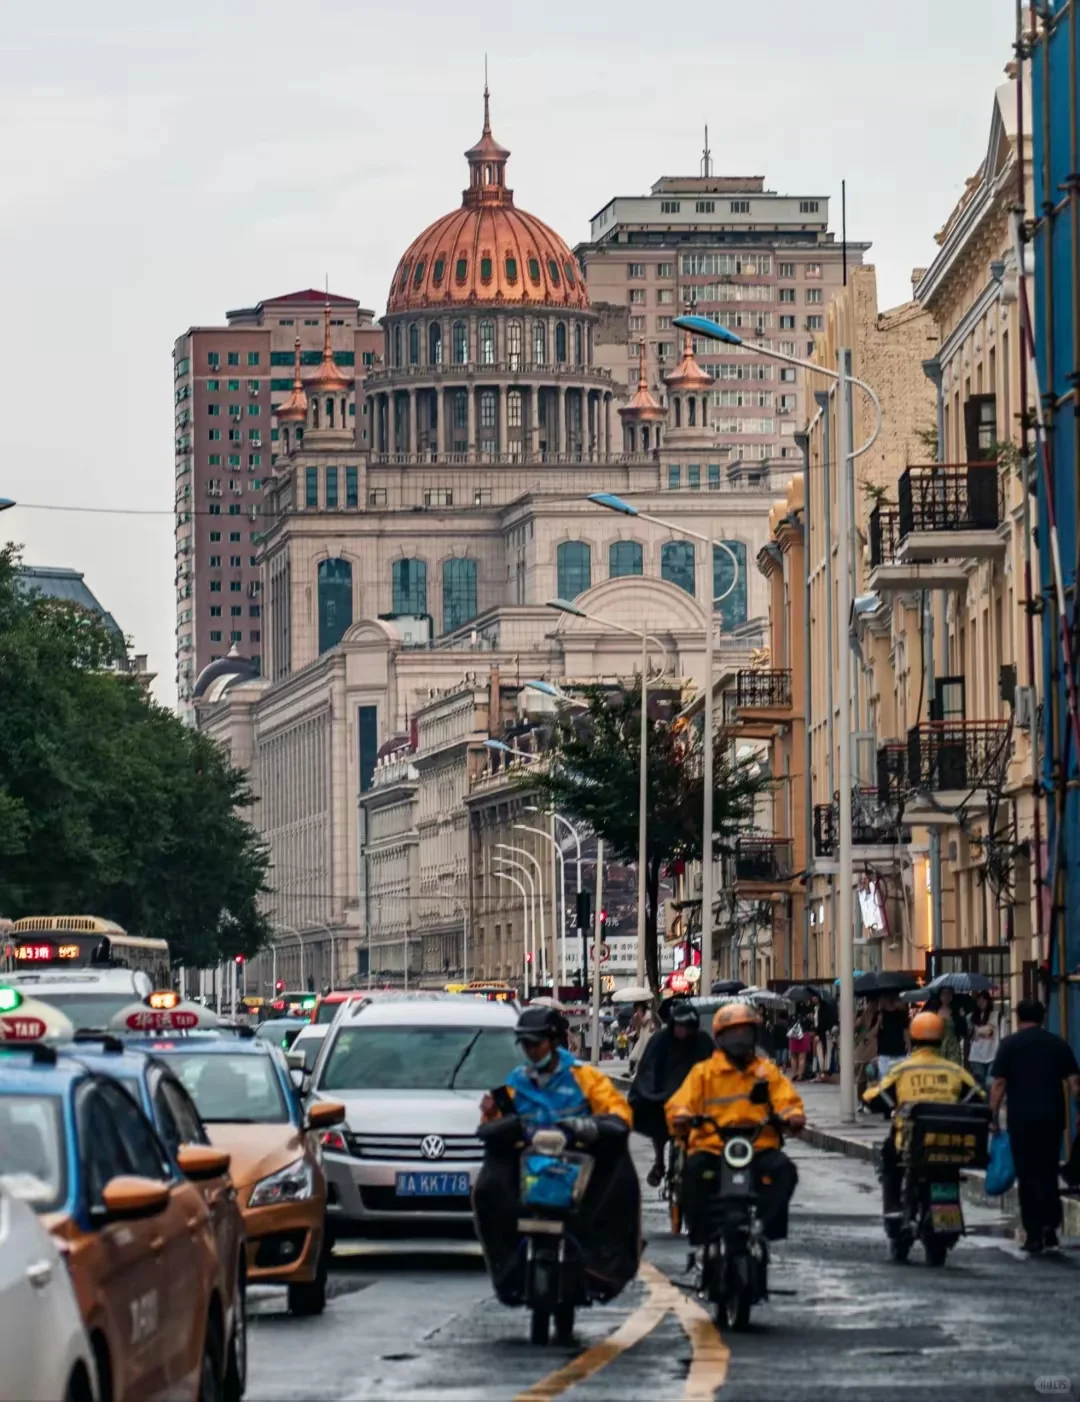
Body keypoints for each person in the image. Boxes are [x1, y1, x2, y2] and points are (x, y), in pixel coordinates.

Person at [473, 1005, 641, 1303]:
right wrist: (490, 1117)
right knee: (486, 1189)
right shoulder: (516, 1081)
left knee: (622, 1182)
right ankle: (505, 1267)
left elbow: (617, 1112)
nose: (531, 1051)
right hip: (530, 1167)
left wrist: (593, 1126)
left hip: (578, 1167)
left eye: (536, 1043)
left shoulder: (584, 1076)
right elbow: (495, 1122)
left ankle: (606, 1263)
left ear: (552, 1041)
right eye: (525, 1045)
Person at [666, 1003, 805, 1247]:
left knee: (784, 1170)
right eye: (733, 1033)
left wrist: (792, 1116)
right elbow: (680, 1103)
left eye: (745, 1033)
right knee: (694, 1172)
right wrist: (682, 1116)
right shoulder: (704, 1073)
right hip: (712, 1147)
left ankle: (765, 1227)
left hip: (758, 1147)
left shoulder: (766, 1072)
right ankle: (701, 1239)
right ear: (720, 1038)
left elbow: (786, 1099)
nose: (740, 1039)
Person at [863, 1011, 985, 1222]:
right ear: (940, 1038)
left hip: (913, 1143)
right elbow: (979, 1098)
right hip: (952, 1143)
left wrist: (872, 1100)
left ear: (914, 1037)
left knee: (889, 1154)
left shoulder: (902, 1070)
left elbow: (874, 1097)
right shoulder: (954, 1070)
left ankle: (894, 1209)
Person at [989, 998, 1080, 1254]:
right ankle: (1050, 1228)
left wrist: (994, 1118)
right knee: (1049, 1172)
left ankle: (1033, 1233)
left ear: (1018, 1018)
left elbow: (998, 1085)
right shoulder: (1057, 1045)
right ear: (1042, 1017)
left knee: (1027, 1174)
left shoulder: (1010, 1045)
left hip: (1022, 1119)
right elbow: (1075, 1084)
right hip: (1052, 1118)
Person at [629, 997, 715, 1187]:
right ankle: (659, 1162)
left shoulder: (702, 1040)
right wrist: (651, 1093)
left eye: (688, 1026)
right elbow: (648, 1069)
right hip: (665, 1094)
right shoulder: (660, 1040)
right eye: (680, 1026)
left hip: (696, 1096)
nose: (684, 1031)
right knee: (658, 1122)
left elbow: (715, 1065)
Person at [967, 991, 1000, 1089]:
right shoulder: (971, 1017)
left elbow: (1000, 1034)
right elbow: (970, 1035)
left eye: (984, 1000)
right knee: (979, 1085)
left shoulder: (997, 1015)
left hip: (992, 1054)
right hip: (976, 1055)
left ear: (988, 1001)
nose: (981, 1002)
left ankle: (989, 1104)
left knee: (990, 1084)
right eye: (979, 1000)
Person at [927, 985, 967, 1065]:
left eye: (949, 993)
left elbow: (963, 1031)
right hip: (937, 1046)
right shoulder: (933, 1010)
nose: (946, 996)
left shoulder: (956, 1012)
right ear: (940, 996)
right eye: (944, 993)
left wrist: (962, 1018)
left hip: (953, 1047)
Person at [874, 992, 910, 1076]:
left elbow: (905, 1032)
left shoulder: (900, 1014)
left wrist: (909, 1048)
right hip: (884, 1052)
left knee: (900, 1078)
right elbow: (874, 1034)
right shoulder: (880, 1014)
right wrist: (879, 1022)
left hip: (899, 1051)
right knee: (884, 1078)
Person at [811, 993, 837, 1081]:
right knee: (820, 1053)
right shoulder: (816, 1008)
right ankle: (821, 1072)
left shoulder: (825, 1008)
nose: (812, 999)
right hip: (819, 1033)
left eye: (814, 997)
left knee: (826, 1052)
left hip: (825, 1033)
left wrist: (817, 1031)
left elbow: (825, 1022)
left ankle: (824, 1073)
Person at [787, 1005, 813, 1080]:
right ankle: (800, 1075)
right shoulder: (807, 1018)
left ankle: (794, 1073)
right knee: (802, 1058)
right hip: (803, 1036)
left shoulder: (792, 1017)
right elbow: (811, 1027)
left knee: (793, 1057)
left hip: (793, 1036)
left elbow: (788, 1026)